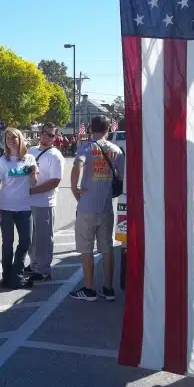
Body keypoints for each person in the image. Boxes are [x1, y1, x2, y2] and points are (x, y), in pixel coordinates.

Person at [69, 115, 125, 301]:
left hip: (86, 207)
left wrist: (75, 188)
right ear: (109, 130)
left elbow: (77, 164)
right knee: (107, 248)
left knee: (86, 249)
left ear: (91, 129)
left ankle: (89, 289)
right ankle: (108, 288)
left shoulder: (87, 147)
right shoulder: (116, 150)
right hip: (106, 206)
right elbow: (122, 176)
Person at [0, 128, 37, 289]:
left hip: (25, 208)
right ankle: (7, 277)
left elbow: (33, 183)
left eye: (14, 137)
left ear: (21, 139)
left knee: (26, 241)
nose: (11, 140)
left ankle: (16, 274)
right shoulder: (2, 161)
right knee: (8, 243)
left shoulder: (29, 159)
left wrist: (33, 174)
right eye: (8, 138)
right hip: (6, 209)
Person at [26, 122, 65, 282]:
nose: (46, 136)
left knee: (43, 237)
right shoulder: (31, 151)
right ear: (40, 133)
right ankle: (34, 263)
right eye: (44, 133)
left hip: (45, 202)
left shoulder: (55, 156)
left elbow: (55, 181)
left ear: (55, 138)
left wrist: (34, 191)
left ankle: (43, 269)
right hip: (27, 202)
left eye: (50, 135)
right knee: (31, 236)